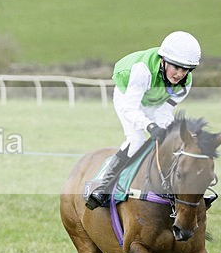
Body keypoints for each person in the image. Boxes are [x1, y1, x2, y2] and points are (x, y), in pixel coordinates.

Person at [86, 30, 201, 210]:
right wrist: (149, 125)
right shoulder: (143, 70)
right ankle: (103, 186)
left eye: (184, 69)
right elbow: (131, 108)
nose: (179, 74)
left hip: (155, 103)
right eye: (175, 67)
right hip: (128, 97)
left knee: (169, 139)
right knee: (137, 139)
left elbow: (164, 112)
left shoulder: (185, 84)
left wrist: (163, 130)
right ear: (163, 60)